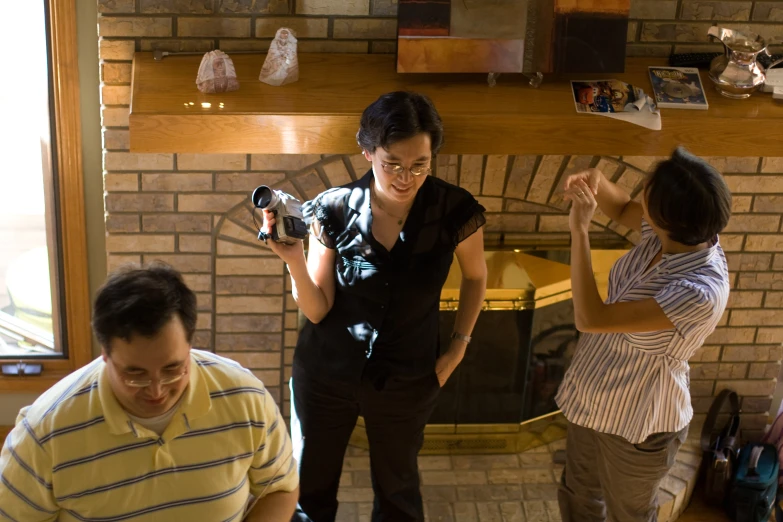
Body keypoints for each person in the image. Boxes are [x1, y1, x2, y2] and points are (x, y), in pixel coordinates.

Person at [262, 91, 488, 522]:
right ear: (368, 152)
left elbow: (477, 277)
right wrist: (293, 259)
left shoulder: (454, 210)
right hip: (326, 373)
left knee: (399, 492)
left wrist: (457, 348)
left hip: (408, 374)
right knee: (310, 491)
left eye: (420, 165)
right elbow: (317, 309)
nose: (407, 177)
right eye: (394, 165)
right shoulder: (333, 208)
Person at [0, 263, 299, 521]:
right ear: (105, 354)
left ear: (190, 345)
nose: (157, 391)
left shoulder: (245, 398)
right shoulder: (44, 432)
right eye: (135, 373)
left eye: (173, 369)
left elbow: (279, 488)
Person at [556, 147, 731, 521]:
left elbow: (591, 318)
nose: (641, 195)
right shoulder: (675, 234)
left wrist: (580, 230)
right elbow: (620, 208)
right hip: (591, 399)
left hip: (638, 426)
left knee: (629, 515)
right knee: (577, 496)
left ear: (667, 217)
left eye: (647, 193)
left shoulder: (697, 291)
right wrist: (594, 180)